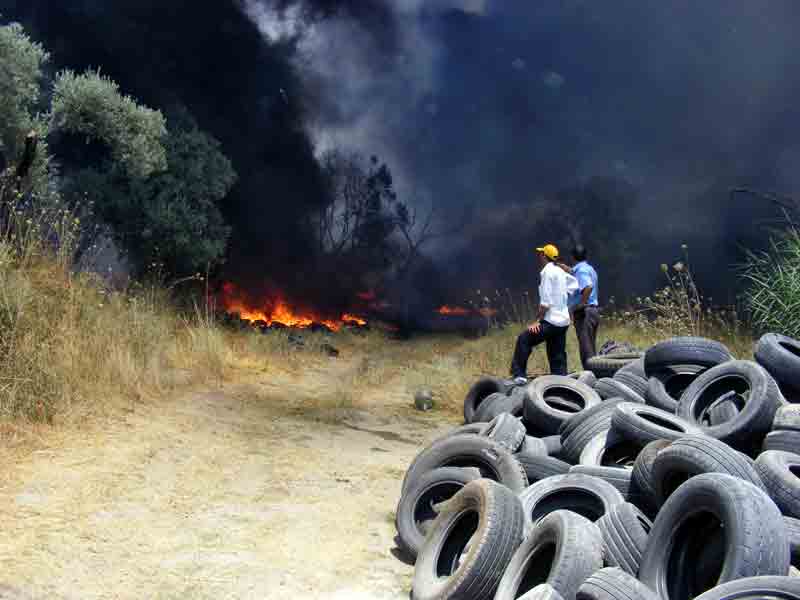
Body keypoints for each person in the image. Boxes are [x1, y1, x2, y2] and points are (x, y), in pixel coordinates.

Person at [510, 243, 578, 382]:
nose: (539, 256)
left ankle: (519, 375)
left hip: (551, 321)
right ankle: (561, 381)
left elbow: (545, 303)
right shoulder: (560, 271)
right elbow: (575, 284)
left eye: (540, 254)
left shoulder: (547, 272)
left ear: (544, 256)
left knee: (524, 339)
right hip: (563, 322)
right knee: (556, 354)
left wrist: (538, 321)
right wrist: (563, 296)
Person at [559, 244, 600, 370]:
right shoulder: (588, 268)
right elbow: (574, 272)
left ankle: (590, 376)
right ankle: (596, 372)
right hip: (593, 310)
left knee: (586, 347)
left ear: (572, 257)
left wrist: (582, 303)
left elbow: (587, 286)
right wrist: (564, 268)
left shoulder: (581, 271)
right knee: (590, 345)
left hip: (584, 312)